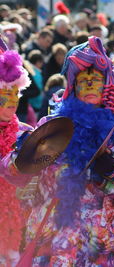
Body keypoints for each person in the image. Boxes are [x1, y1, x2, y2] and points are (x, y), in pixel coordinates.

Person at [1, 36, 114, 265]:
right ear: (72, 86)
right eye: (82, 79)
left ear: (107, 83)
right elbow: (15, 177)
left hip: (101, 250)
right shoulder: (50, 127)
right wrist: (23, 155)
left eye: (96, 78)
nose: (89, 83)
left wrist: (110, 167)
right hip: (53, 247)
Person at [0, 37, 32, 267]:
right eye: (4, 96)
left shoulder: (24, 133)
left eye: (15, 95)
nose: (12, 102)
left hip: (15, 224)